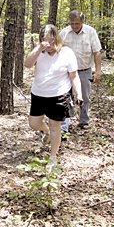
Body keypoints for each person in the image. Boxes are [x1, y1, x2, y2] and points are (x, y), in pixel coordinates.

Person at [24, 24, 82, 167]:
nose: (48, 44)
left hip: (58, 94)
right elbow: (27, 64)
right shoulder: (39, 52)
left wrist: (78, 94)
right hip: (39, 93)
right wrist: (39, 48)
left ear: (56, 38)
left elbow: (74, 76)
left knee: (55, 125)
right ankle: (46, 131)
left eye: (50, 40)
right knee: (34, 123)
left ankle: (53, 157)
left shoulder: (66, 53)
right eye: (44, 40)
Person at [59, 10, 102, 131]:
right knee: (66, 96)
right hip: (67, 71)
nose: (74, 26)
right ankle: (65, 123)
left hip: (84, 69)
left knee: (84, 96)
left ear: (82, 22)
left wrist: (98, 71)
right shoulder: (64, 33)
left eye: (77, 23)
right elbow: (57, 50)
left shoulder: (90, 32)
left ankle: (84, 121)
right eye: (72, 23)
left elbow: (97, 52)